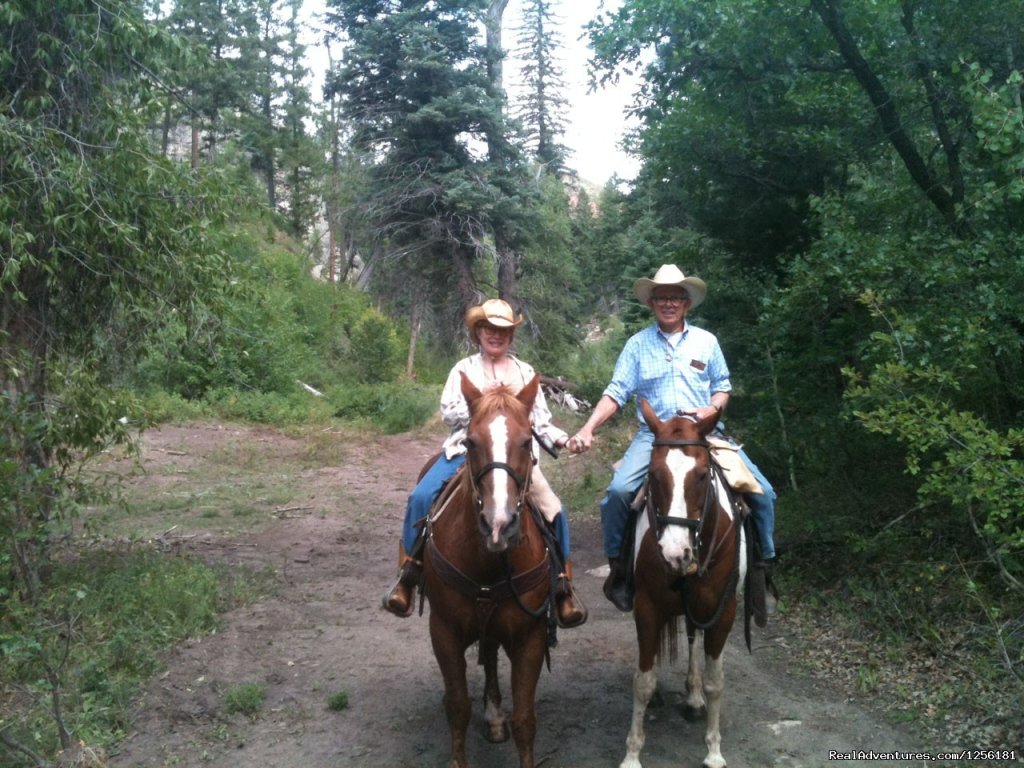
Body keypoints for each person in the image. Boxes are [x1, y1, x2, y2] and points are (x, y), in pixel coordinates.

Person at [569, 264, 777, 622]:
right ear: (652, 303)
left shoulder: (706, 342)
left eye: (675, 297)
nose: (669, 303)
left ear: (686, 303)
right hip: (656, 437)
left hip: (704, 435)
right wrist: (588, 428)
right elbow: (616, 392)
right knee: (618, 492)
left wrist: (712, 407)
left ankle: (762, 570)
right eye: (662, 297)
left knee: (763, 493)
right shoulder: (637, 345)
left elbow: (723, 386)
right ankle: (620, 569)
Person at [382, 298, 588, 628]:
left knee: (554, 509)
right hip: (469, 452)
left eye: (503, 330)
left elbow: (541, 422)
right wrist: (488, 408)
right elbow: (449, 411)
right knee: (420, 497)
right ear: (479, 332)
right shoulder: (463, 370)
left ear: (511, 335)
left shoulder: (525, 372)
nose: (496, 335)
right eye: (490, 329)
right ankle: (407, 575)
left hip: (513, 458)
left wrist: (564, 440)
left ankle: (563, 585)